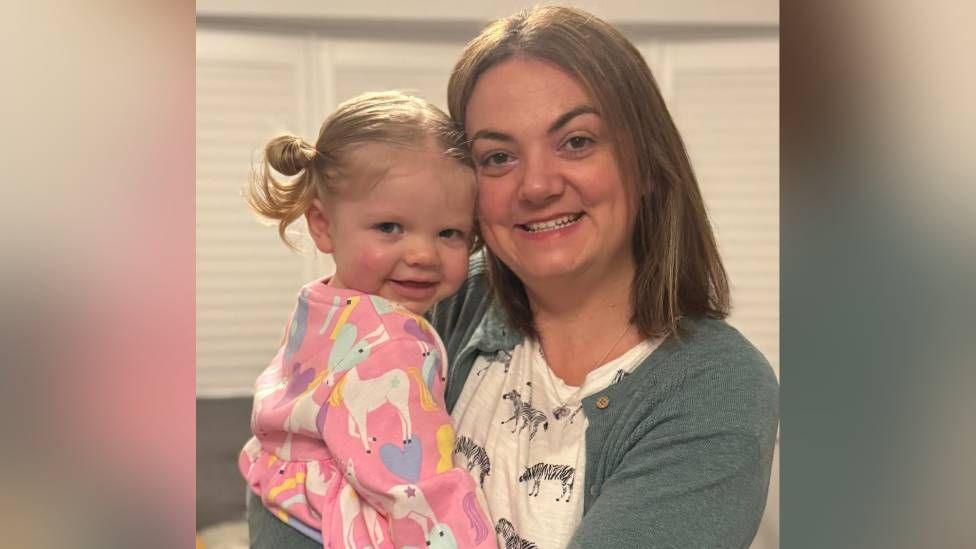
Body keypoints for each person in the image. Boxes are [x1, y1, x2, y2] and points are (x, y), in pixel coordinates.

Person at [430, 6, 780, 549]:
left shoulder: (717, 387)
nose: (537, 186)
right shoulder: (448, 298)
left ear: (644, 162)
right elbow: (297, 467)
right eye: (498, 157)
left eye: (576, 142)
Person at [238, 91, 496, 549]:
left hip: (275, 495)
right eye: (389, 228)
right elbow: (417, 493)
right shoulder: (393, 343)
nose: (422, 254)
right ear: (321, 224)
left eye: (449, 233)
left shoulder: (319, 303)